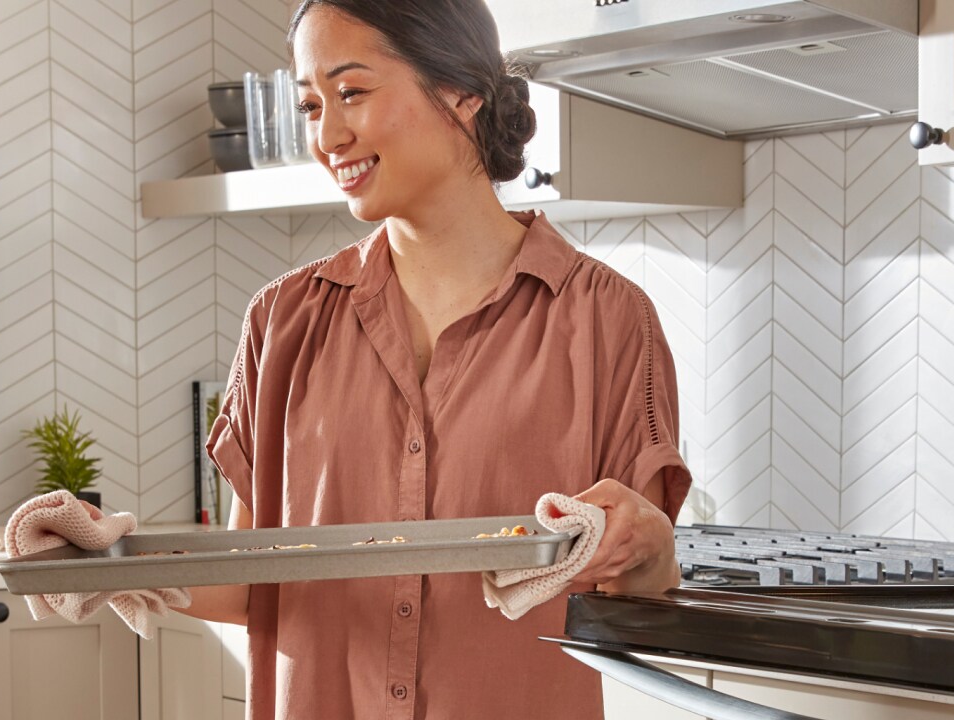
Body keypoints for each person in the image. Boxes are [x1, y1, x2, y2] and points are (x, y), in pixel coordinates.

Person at [175, 1, 693, 718]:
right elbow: (249, 582)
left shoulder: (605, 319)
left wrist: (651, 544)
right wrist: (104, 561)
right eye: (310, 104)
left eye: (352, 92)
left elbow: (640, 597)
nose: (327, 136)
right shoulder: (283, 321)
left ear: (461, 91)